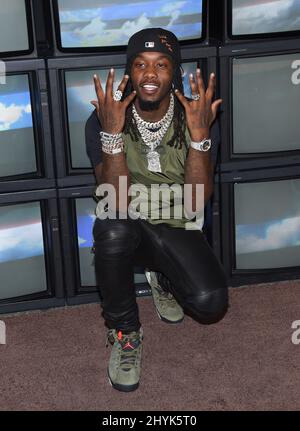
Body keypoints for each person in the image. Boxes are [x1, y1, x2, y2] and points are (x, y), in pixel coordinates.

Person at [85, 28, 228, 392]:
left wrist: (199, 137)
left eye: (161, 65)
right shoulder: (105, 117)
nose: (150, 75)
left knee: (210, 304)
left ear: (175, 72)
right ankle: (126, 333)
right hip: (129, 219)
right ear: (129, 71)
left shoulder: (198, 116)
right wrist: (112, 134)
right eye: (140, 65)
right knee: (111, 227)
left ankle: (162, 275)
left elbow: (197, 202)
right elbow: (114, 199)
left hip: (178, 223)